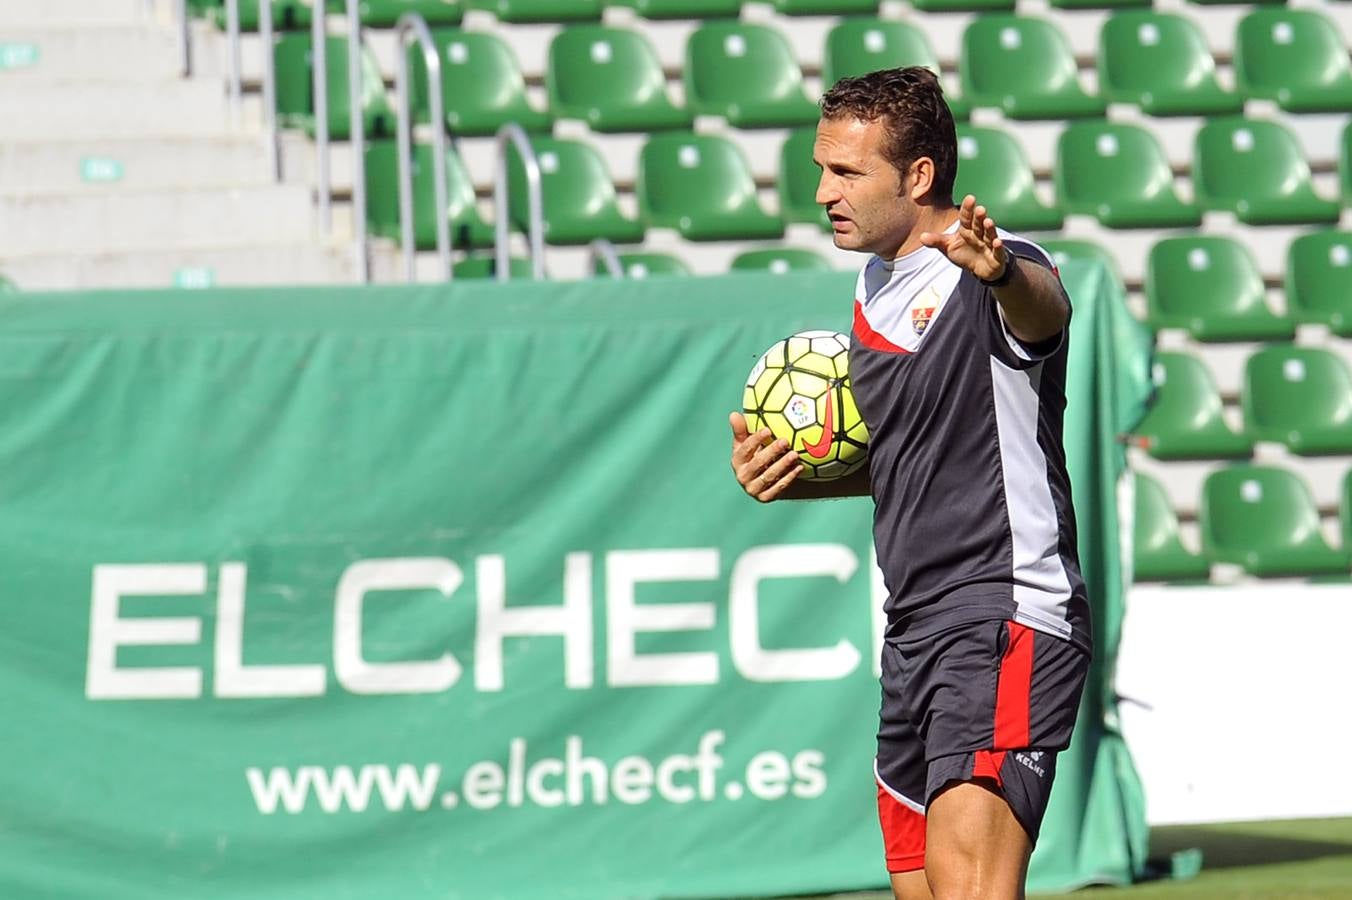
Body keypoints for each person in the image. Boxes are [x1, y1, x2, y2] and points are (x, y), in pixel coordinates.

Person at [727, 67, 1093, 900]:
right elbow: (909, 465)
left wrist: (997, 272)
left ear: (918, 176)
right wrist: (792, 481)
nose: (823, 191)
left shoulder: (994, 269)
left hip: (1002, 612)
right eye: (822, 168)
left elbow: (1045, 312)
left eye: (847, 171)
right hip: (912, 632)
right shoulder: (873, 290)